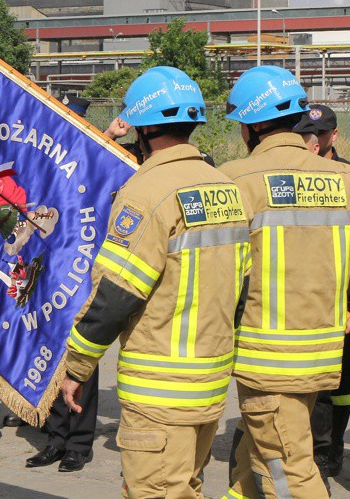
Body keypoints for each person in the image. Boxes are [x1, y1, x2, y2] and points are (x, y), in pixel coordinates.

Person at [60, 67, 251, 497]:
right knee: (186, 486)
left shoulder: (146, 192)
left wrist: (76, 366)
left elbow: (116, 293)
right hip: (210, 384)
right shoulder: (226, 187)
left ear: (143, 126)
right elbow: (242, 285)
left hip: (160, 392)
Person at [220, 66, 350, 499]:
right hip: (322, 353)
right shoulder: (347, 181)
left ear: (252, 125)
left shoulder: (236, 179)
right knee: (259, 454)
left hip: (267, 359)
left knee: (287, 473)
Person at [25, 94, 101, 472]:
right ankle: (56, 437)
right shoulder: (45, 164)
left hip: (83, 272)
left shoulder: (94, 159)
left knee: (81, 355)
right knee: (50, 349)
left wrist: (112, 138)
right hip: (48, 268)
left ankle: (80, 442)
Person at [295, 104, 350, 491]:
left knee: (340, 384)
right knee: (314, 384)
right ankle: (314, 453)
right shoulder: (293, 176)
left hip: (348, 300)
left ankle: (331, 448)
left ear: (333, 137)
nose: (314, 142)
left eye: (320, 136)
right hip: (311, 296)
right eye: (307, 134)